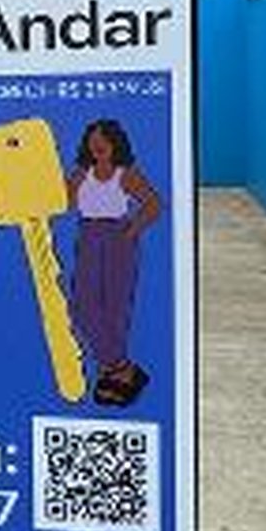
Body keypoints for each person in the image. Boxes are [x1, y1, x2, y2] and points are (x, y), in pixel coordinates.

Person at [67, 116, 164, 406]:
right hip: (88, 237)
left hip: (118, 239)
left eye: (103, 141)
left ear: (115, 143)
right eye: (93, 142)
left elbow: (154, 204)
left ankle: (111, 374)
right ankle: (121, 367)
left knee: (115, 308)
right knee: (82, 307)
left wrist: (131, 231)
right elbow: (63, 202)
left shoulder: (126, 174)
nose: (97, 146)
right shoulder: (81, 174)